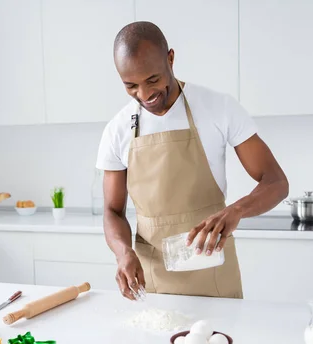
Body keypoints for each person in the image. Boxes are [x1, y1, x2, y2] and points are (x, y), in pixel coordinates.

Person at [95, 21, 289, 300]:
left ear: (170, 59)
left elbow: (276, 182)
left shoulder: (218, 108)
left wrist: (234, 211)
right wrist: (123, 252)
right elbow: (112, 212)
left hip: (214, 274)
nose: (145, 94)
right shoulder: (117, 129)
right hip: (152, 281)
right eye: (131, 86)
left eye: (152, 80)